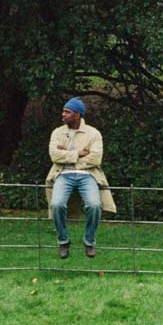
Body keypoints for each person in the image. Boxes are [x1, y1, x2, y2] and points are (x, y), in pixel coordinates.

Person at [46, 97, 115, 258]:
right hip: (62, 174)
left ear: (77, 115)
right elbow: (54, 155)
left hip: (88, 175)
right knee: (56, 205)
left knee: (94, 205)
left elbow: (95, 159)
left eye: (67, 112)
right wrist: (78, 153)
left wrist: (67, 155)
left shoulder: (93, 134)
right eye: (63, 111)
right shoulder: (58, 132)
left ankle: (89, 241)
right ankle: (63, 241)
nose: (63, 115)